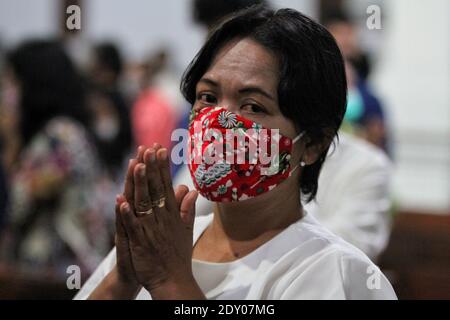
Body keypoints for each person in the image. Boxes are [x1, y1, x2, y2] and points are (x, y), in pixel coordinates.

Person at [76, 6, 396, 299]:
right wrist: (123, 279)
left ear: (312, 143)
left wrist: (170, 282)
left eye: (253, 105)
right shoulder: (162, 242)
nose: (219, 122)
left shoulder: (333, 271)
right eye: (208, 97)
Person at [2, 40, 110, 277]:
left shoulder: (58, 137)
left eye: (13, 82)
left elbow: (13, 206)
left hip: (55, 277)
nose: (7, 94)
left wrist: (10, 142)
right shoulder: (70, 130)